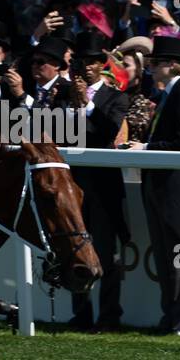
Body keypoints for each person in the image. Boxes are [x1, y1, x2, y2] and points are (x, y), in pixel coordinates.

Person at [122, 35, 180, 334]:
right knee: (166, 259)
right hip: (162, 188)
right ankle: (171, 318)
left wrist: (145, 148)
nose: (151, 69)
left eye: (156, 63)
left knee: (176, 259)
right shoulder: (170, 94)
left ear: (171, 65)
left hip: (175, 192)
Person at [65, 31, 128, 331]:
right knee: (75, 251)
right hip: (73, 188)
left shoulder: (116, 97)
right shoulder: (64, 96)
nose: (86, 68)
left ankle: (109, 314)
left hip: (103, 188)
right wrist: (73, 105)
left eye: (92, 62)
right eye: (82, 62)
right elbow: (58, 134)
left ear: (101, 65)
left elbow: (106, 133)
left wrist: (85, 106)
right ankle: (81, 313)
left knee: (106, 254)